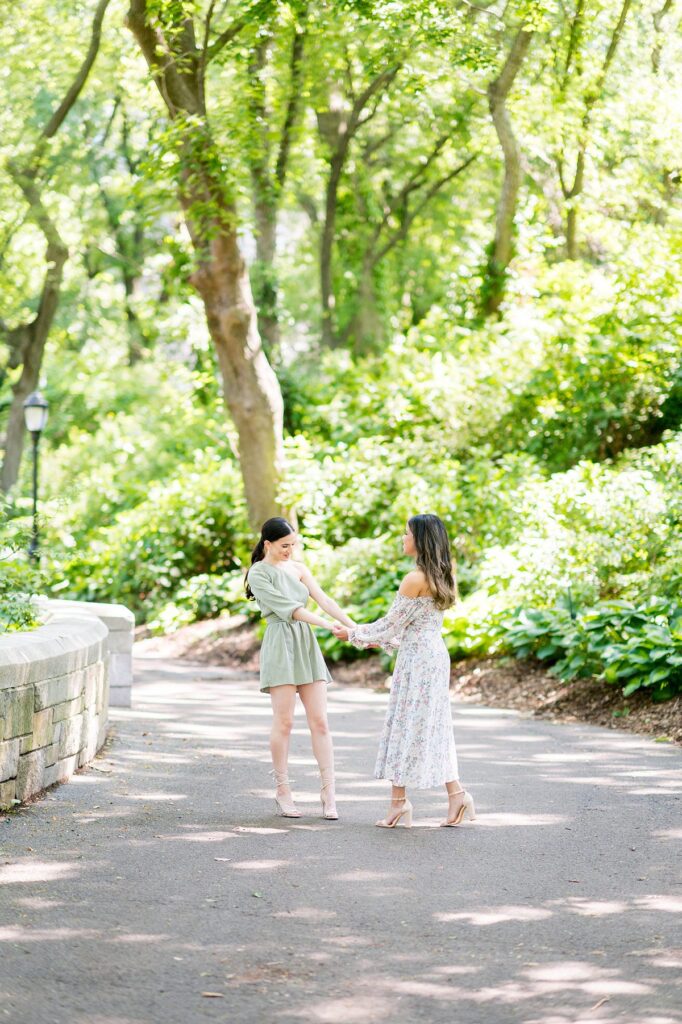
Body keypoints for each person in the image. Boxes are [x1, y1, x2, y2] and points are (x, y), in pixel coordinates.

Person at [333, 514, 474, 829]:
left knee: (406, 726)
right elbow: (413, 629)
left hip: (418, 662)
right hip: (432, 655)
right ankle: (455, 795)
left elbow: (389, 625)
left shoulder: (415, 579)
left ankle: (402, 802)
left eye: (406, 533)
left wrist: (353, 634)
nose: (402, 538)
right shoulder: (444, 575)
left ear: (420, 539)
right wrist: (372, 639)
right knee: (431, 727)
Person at [245, 517, 356, 821]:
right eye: (284, 545)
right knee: (284, 723)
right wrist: (326, 625)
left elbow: (325, 600)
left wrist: (355, 628)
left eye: (293, 544)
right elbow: (291, 610)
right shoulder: (258, 573)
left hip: (305, 644)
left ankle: (329, 792)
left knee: (320, 721)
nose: (289, 550)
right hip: (280, 643)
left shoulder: (299, 569)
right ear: (267, 544)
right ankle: (283, 790)